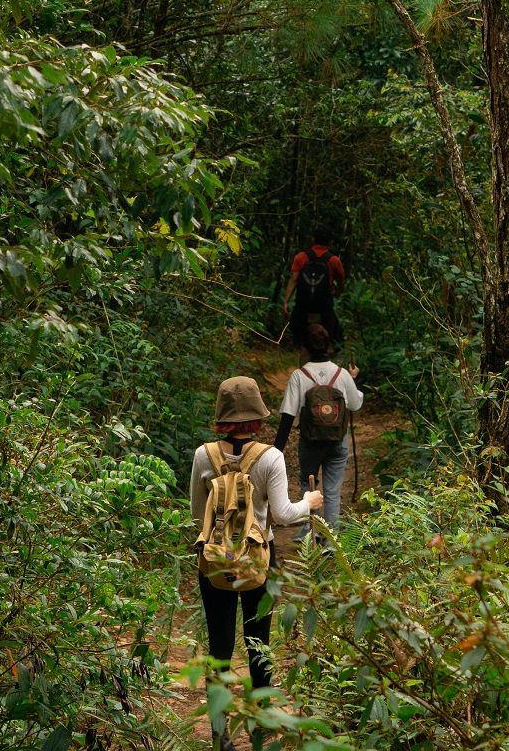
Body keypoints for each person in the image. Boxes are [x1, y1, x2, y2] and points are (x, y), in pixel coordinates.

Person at [190, 376, 323, 751]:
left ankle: (219, 736)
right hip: (258, 562)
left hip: (213, 563)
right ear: (257, 418)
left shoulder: (204, 455)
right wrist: (309, 502)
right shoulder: (270, 457)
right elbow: (281, 516)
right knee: (257, 645)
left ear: (222, 416)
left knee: (218, 646)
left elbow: (197, 514)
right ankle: (260, 732)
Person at [275, 324, 363, 539]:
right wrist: (354, 378)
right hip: (337, 441)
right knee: (332, 490)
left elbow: (288, 414)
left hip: (310, 441)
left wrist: (276, 449)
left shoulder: (299, 375)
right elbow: (355, 404)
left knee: (308, 482)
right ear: (329, 346)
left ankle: (310, 532)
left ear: (305, 347)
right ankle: (332, 540)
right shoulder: (342, 374)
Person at [281, 224, 346, 353]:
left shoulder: (301, 257)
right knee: (333, 338)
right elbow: (341, 283)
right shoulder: (334, 260)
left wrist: (286, 302)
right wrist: (336, 291)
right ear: (330, 242)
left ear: (312, 239)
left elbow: (293, 279)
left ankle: (303, 364)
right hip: (324, 309)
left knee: (302, 343)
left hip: (303, 308)